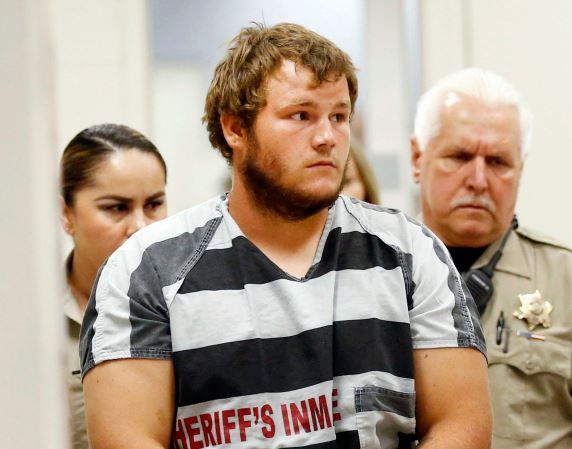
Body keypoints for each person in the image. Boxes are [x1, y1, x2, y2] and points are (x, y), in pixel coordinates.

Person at [80, 23, 491, 449]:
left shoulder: (411, 251)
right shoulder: (146, 270)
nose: (327, 138)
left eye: (339, 116)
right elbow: (128, 438)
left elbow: (461, 425)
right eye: (301, 115)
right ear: (235, 129)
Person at [410, 68, 572, 449]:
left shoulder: (564, 280)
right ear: (418, 158)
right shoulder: (373, 274)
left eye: (498, 161)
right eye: (459, 156)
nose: (479, 180)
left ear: (520, 170)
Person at [60, 123, 168, 448]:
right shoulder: (24, 319)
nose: (140, 226)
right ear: (66, 213)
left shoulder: (189, 306)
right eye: (116, 208)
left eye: (154, 204)